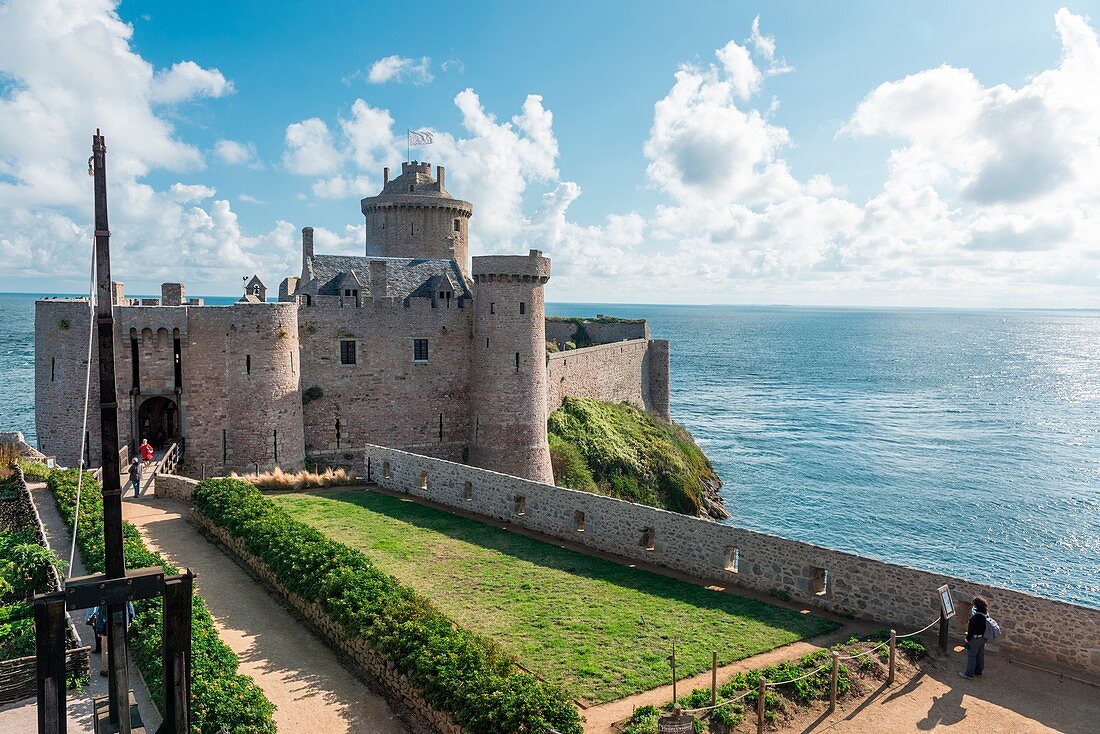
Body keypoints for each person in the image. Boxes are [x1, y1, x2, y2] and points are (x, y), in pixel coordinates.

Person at [88, 601, 136, 677]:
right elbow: (129, 606)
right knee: (120, 645)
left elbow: (101, 614)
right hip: (122, 621)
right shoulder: (123, 591)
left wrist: (99, 629)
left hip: (108, 624)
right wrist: (130, 619)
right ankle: (120, 667)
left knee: (105, 648)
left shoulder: (106, 595)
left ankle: (107, 669)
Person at [960, 595, 989, 679]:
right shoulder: (986, 614)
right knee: (980, 655)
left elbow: (972, 630)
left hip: (975, 639)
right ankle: (978, 672)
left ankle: (969, 674)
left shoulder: (976, 617)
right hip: (983, 639)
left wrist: (968, 638)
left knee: (972, 656)